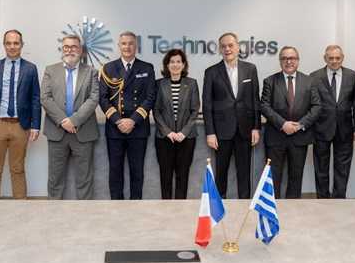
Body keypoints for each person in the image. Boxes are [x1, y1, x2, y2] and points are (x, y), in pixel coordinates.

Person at [0, 30, 41, 199]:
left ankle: (20, 207)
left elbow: (35, 98)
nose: (12, 46)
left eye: (16, 43)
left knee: (18, 169)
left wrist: (35, 126)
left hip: (21, 125)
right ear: (4, 45)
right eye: (8, 43)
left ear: (21, 45)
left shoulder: (30, 68)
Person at [202, 32, 260, 199]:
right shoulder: (211, 72)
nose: (227, 49)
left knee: (244, 173)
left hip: (245, 130)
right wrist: (210, 132)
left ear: (238, 47)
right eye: (223, 46)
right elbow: (207, 104)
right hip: (221, 132)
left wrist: (256, 127)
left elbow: (255, 100)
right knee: (221, 172)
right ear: (220, 49)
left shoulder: (250, 69)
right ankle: (220, 206)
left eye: (230, 45)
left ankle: (244, 205)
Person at [41, 34, 99, 199]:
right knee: (55, 179)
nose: (69, 50)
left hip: (83, 132)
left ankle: (85, 211)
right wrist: (63, 121)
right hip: (56, 132)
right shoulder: (50, 70)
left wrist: (74, 121)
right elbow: (45, 98)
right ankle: (54, 210)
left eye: (74, 47)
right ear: (62, 49)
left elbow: (93, 98)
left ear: (80, 50)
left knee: (84, 179)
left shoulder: (91, 72)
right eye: (66, 47)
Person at [99, 31, 156, 200]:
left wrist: (133, 121)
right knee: (115, 171)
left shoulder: (147, 68)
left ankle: (135, 205)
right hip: (115, 128)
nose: (127, 47)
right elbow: (103, 98)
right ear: (119, 46)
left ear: (136, 46)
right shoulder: (108, 68)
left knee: (137, 171)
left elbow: (150, 97)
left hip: (138, 128)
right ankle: (116, 206)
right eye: (124, 43)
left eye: (131, 43)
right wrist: (118, 121)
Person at [261, 46, 320, 199]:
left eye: (292, 58)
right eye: (285, 58)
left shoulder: (309, 81)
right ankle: (273, 208)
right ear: (280, 61)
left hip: (299, 137)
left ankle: (293, 209)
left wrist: (299, 125)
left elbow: (316, 107)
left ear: (298, 60)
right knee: (273, 177)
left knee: (296, 177)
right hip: (276, 136)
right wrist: (283, 124)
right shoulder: (270, 81)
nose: (288, 61)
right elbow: (264, 106)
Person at [310, 45, 355, 199]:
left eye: (337, 58)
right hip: (321, 129)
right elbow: (311, 104)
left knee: (342, 168)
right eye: (330, 58)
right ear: (325, 58)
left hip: (345, 129)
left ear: (342, 58)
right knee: (321, 168)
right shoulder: (314, 76)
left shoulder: (352, 76)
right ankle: (322, 199)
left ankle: (339, 200)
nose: (334, 61)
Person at [153, 49, 200, 199]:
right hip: (164, 138)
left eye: (178, 61)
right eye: (172, 62)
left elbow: (195, 110)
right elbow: (156, 111)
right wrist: (168, 132)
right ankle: (166, 208)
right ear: (167, 65)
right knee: (165, 176)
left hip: (186, 138)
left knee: (182, 176)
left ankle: (181, 209)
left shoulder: (191, 84)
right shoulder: (159, 84)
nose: (175, 64)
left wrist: (183, 133)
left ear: (183, 64)